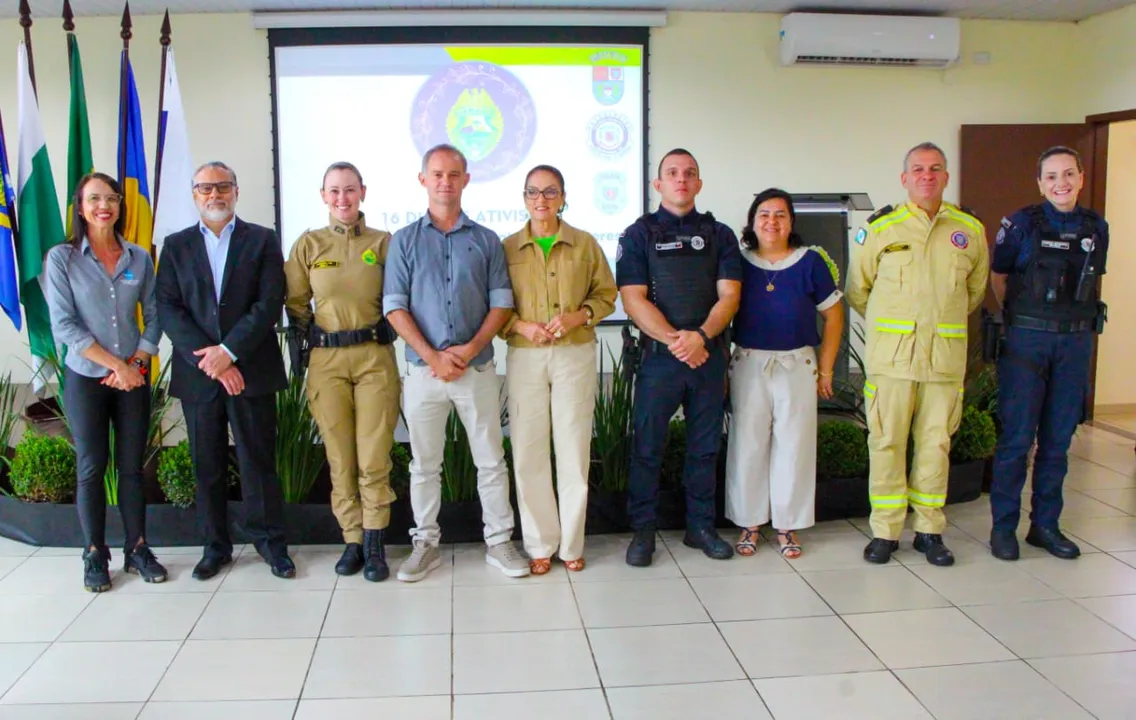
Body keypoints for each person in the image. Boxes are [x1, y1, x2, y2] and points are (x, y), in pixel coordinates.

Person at [383, 143, 529, 582]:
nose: (445, 181)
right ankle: (424, 545)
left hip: (477, 368)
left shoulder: (486, 240)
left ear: (466, 180)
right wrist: (432, 356)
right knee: (423, 464)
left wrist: (467, 350)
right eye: (437, 174)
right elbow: (395, 306)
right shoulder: (404, 241)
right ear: (423, 179)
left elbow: (501, 304)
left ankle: (500, 542)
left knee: (490, 460)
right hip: (423, 373)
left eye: (454, 174)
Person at [846, 141, 990, 567]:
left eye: (936, 169)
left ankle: (929, 531)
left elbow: (974, 292)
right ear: (904, 178)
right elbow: (859, 291)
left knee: (935, 444)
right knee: (886, 442)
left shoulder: (969, 231)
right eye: (918, 169)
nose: (927, 176)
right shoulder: (880, 229)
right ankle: (885, 532)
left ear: (946, 177)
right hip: (891, 361)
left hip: (943, 361)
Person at [156, 161, 295, 581]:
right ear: (194, 194)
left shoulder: (263, 240)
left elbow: (269, 302)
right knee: (207, 465)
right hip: (200, 375)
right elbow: (169, 308)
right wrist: (213, 360)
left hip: (251, 368)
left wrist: (230, 352)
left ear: (236, 191)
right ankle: (214, 547)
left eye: (222, 187)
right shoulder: (175, 245)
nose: (214, 195)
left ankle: (271, 545)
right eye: (204, 188)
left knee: (258, 461)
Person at [616, 148, 743, 567]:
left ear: (699, 183)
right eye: (672, 173)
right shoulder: (639, 234)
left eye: (689, 173)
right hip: (659, 359)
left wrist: (701, 337)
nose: (681, 180)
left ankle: (700, 528)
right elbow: (633, 299)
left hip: (708, 356)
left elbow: (730, 295)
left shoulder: (721, 234)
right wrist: (677, 341)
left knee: (704, 448)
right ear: (658, 185)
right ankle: (643, 532)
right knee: (647, 448)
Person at [44, 172, 166, 592]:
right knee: (91, 466)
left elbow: (155, 316)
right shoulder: (62, 259)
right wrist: (117, 365)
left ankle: (138, 548)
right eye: (94, 199)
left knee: (132, 467)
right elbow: (65, 326)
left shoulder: (139, 258)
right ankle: (95, 553)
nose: (103, 206)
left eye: (111, 198)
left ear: (119, 205)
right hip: (86, 377)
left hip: (132, 378)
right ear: (80, 207)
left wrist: (135, 362)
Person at [988, 146, 1109, 561]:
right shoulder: (1021, 224)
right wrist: (1019, 319)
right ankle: (1003, 528)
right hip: (1028, 342)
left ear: (1081, 177)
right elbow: (999, 273)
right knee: (1017, 440)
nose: (1062, 183)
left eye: (1069, 174)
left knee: (1057, 441)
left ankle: (1045, 526)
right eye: (1052, 176)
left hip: (1075, 343)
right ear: (1040, 183)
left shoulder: (1097, 226)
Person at [284, 161, 402, 581]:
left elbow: (400, 296)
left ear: (363, 192)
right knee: (340, 456)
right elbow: (296, 303)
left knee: (373, 456)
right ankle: (351, 539)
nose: (342, 199)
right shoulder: (309, 244)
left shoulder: (384, 242)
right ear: (322, 196)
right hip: (327, 361)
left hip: (373, 357)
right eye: (334, 191)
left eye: (350, 190)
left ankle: (375, 542)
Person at [501, 164, 617, 574]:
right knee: (529, 451)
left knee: (572, 449)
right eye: (533, 192)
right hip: (526, 355)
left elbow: (606, 294)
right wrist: (519, 325)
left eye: (550, 192)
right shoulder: (507, 247)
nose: (541, 200)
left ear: (564, 197)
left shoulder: (584, 244)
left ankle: (571, 545)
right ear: (524, 198)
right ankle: (539, 544)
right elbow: (494, 306)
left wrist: (580, 315)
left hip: (573, 354)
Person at [725, 188, 844, 559]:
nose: (772, 222)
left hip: (796, 365)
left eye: (780, 215)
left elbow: (834, 315)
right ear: (752, 221)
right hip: (749, 364)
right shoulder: (738, 263)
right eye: (764, 214)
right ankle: (749, 522)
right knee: (748, 444)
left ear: (791, 222)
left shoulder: (810, 262)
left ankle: (787, 525)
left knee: (794, 446)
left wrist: (826, 369)